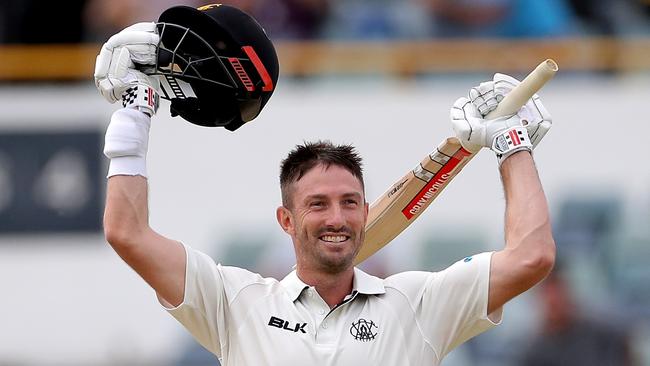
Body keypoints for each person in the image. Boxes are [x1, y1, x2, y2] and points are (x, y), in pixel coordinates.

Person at [93, 4, 556, 365]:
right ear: (286, 220)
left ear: (365, 210)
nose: (337, 218)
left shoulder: (418, 306)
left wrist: (512, 146)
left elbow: (531, 257)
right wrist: (136, 106)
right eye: (318, 204)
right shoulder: (235, 305)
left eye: (350, 202)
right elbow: (126, 232)